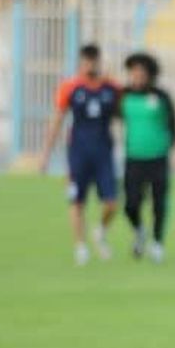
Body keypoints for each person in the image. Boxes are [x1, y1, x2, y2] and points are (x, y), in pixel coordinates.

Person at [39, 43, 121, 264]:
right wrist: (45, 154)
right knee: (77, 201)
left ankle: (100, 231)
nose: (90, 66)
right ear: (81, 62)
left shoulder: (111, 88)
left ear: (99, 61)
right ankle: (80, 247)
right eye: (86, 61)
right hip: (78, 153)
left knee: (112, 202)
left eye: (94, 61)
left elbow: (123, 116)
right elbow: (57, 120)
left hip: (104, 153)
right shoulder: (70, 87)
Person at [120, 51, 175, 262]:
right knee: (130, 203)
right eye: (133, 72)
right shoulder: (123, 95)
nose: (137, 76)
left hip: (157, 157)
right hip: (133, 157)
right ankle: (139, 230)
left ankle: (157, 242)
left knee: (158, 202)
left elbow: (173, 124)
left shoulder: (161, 96)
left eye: (141, 72)